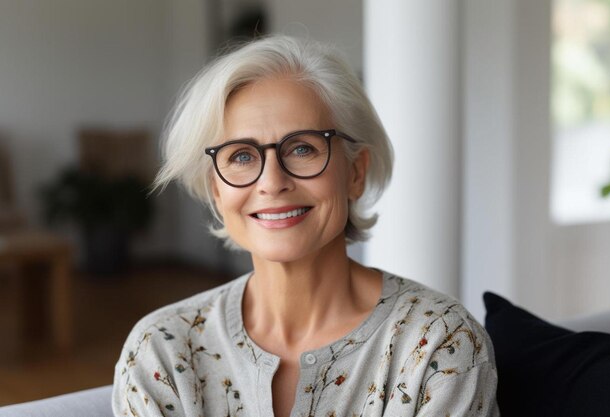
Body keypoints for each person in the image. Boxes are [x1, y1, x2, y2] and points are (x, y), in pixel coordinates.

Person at [112, 35, 499, 417]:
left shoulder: (440, 344)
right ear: (216, 189)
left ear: (355, 172)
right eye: (242, 156)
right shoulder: (160, 349)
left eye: (302, 148)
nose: (272, 181)